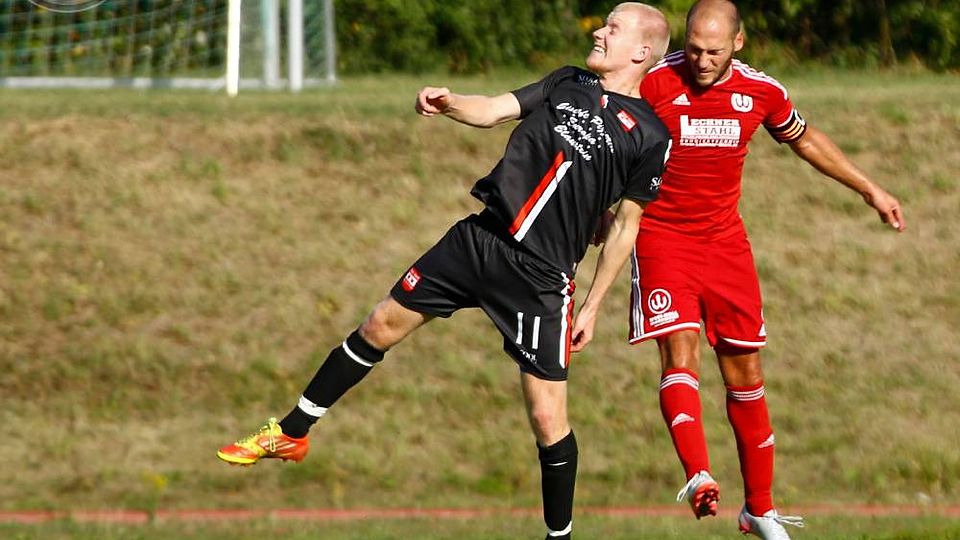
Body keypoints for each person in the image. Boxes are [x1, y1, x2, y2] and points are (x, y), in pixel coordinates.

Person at [217, 4, 672, 539]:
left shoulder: (650, 135)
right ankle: (292, 432)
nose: (598, 31)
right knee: (379, 325)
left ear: (642, 51)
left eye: (613, 28)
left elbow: (626, 227)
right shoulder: (567, 81)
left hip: (541, 278)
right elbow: (495, 109)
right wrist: (452, 102)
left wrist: (592, 306)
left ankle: (560, 537)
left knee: (548, 419)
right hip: (478, 240)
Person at [628, 1, 905, 538]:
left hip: (725, 245)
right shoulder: (655, 82)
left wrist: (870, 189)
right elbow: (610, 143)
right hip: (662, 237)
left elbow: (804, 139)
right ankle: (698, 473)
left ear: (738, 43)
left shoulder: (761, 92)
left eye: (713, 51)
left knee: (746, 373)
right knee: (680, 349)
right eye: (693, 48)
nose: (701, 60)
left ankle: (759, 508)